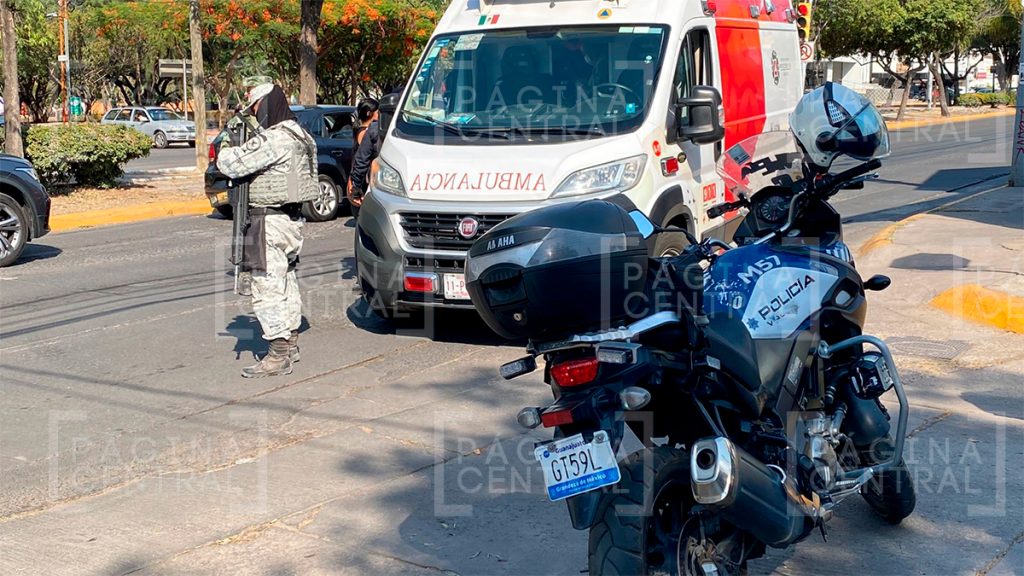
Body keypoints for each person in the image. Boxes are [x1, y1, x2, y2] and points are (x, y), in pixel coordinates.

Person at [217, 77, 319, 378]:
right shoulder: (301, 134)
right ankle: (291, 343)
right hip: (291, 221)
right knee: (286, 283)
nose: (254, 113)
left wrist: (227, 140)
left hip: (268, 223)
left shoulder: (275, 138)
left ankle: (277, 354)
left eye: (256, 106)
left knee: (265, 287)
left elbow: (231, 164)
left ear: (269, 104)